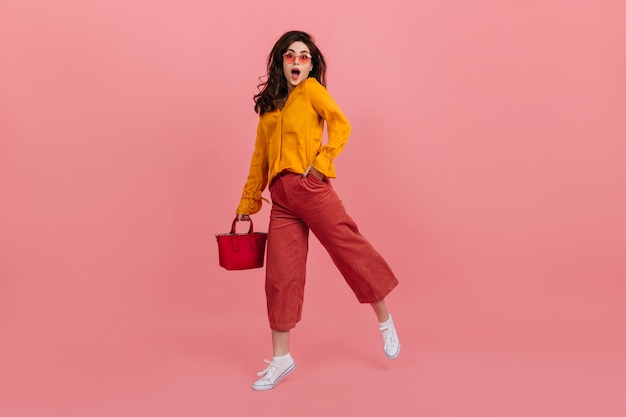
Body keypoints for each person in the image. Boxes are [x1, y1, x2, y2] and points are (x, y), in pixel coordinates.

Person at [235, 30, 400, 391]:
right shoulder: (271, 106)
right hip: (281, 199)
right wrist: (248, 203)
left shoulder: (312, 91)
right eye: (290, 55)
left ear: (312, 64)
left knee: (348, 249)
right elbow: (259, 159)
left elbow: (342, 125)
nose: (297, 62)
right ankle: (282, 359)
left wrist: (322, 164)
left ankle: (385, 320)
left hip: (310, 188)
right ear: (281, 60)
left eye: (304, 56)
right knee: (281, 275)